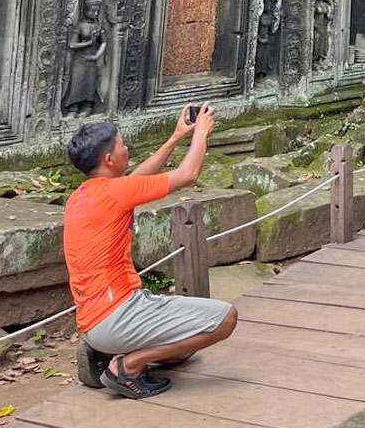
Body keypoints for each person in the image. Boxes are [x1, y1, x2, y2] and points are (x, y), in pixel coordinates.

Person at [64, 104, 237, 399]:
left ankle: (104, 352)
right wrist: (202, 133)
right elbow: (187, 174)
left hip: (94, 320)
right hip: (117, 315)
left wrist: (176, 137)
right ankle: (127, 364)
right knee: (225, 319)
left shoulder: (82, 196)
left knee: (184, 348)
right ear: (109, 158)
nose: (127, 148)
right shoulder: (115, 192)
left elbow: (134, 182)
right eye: (122, 145)